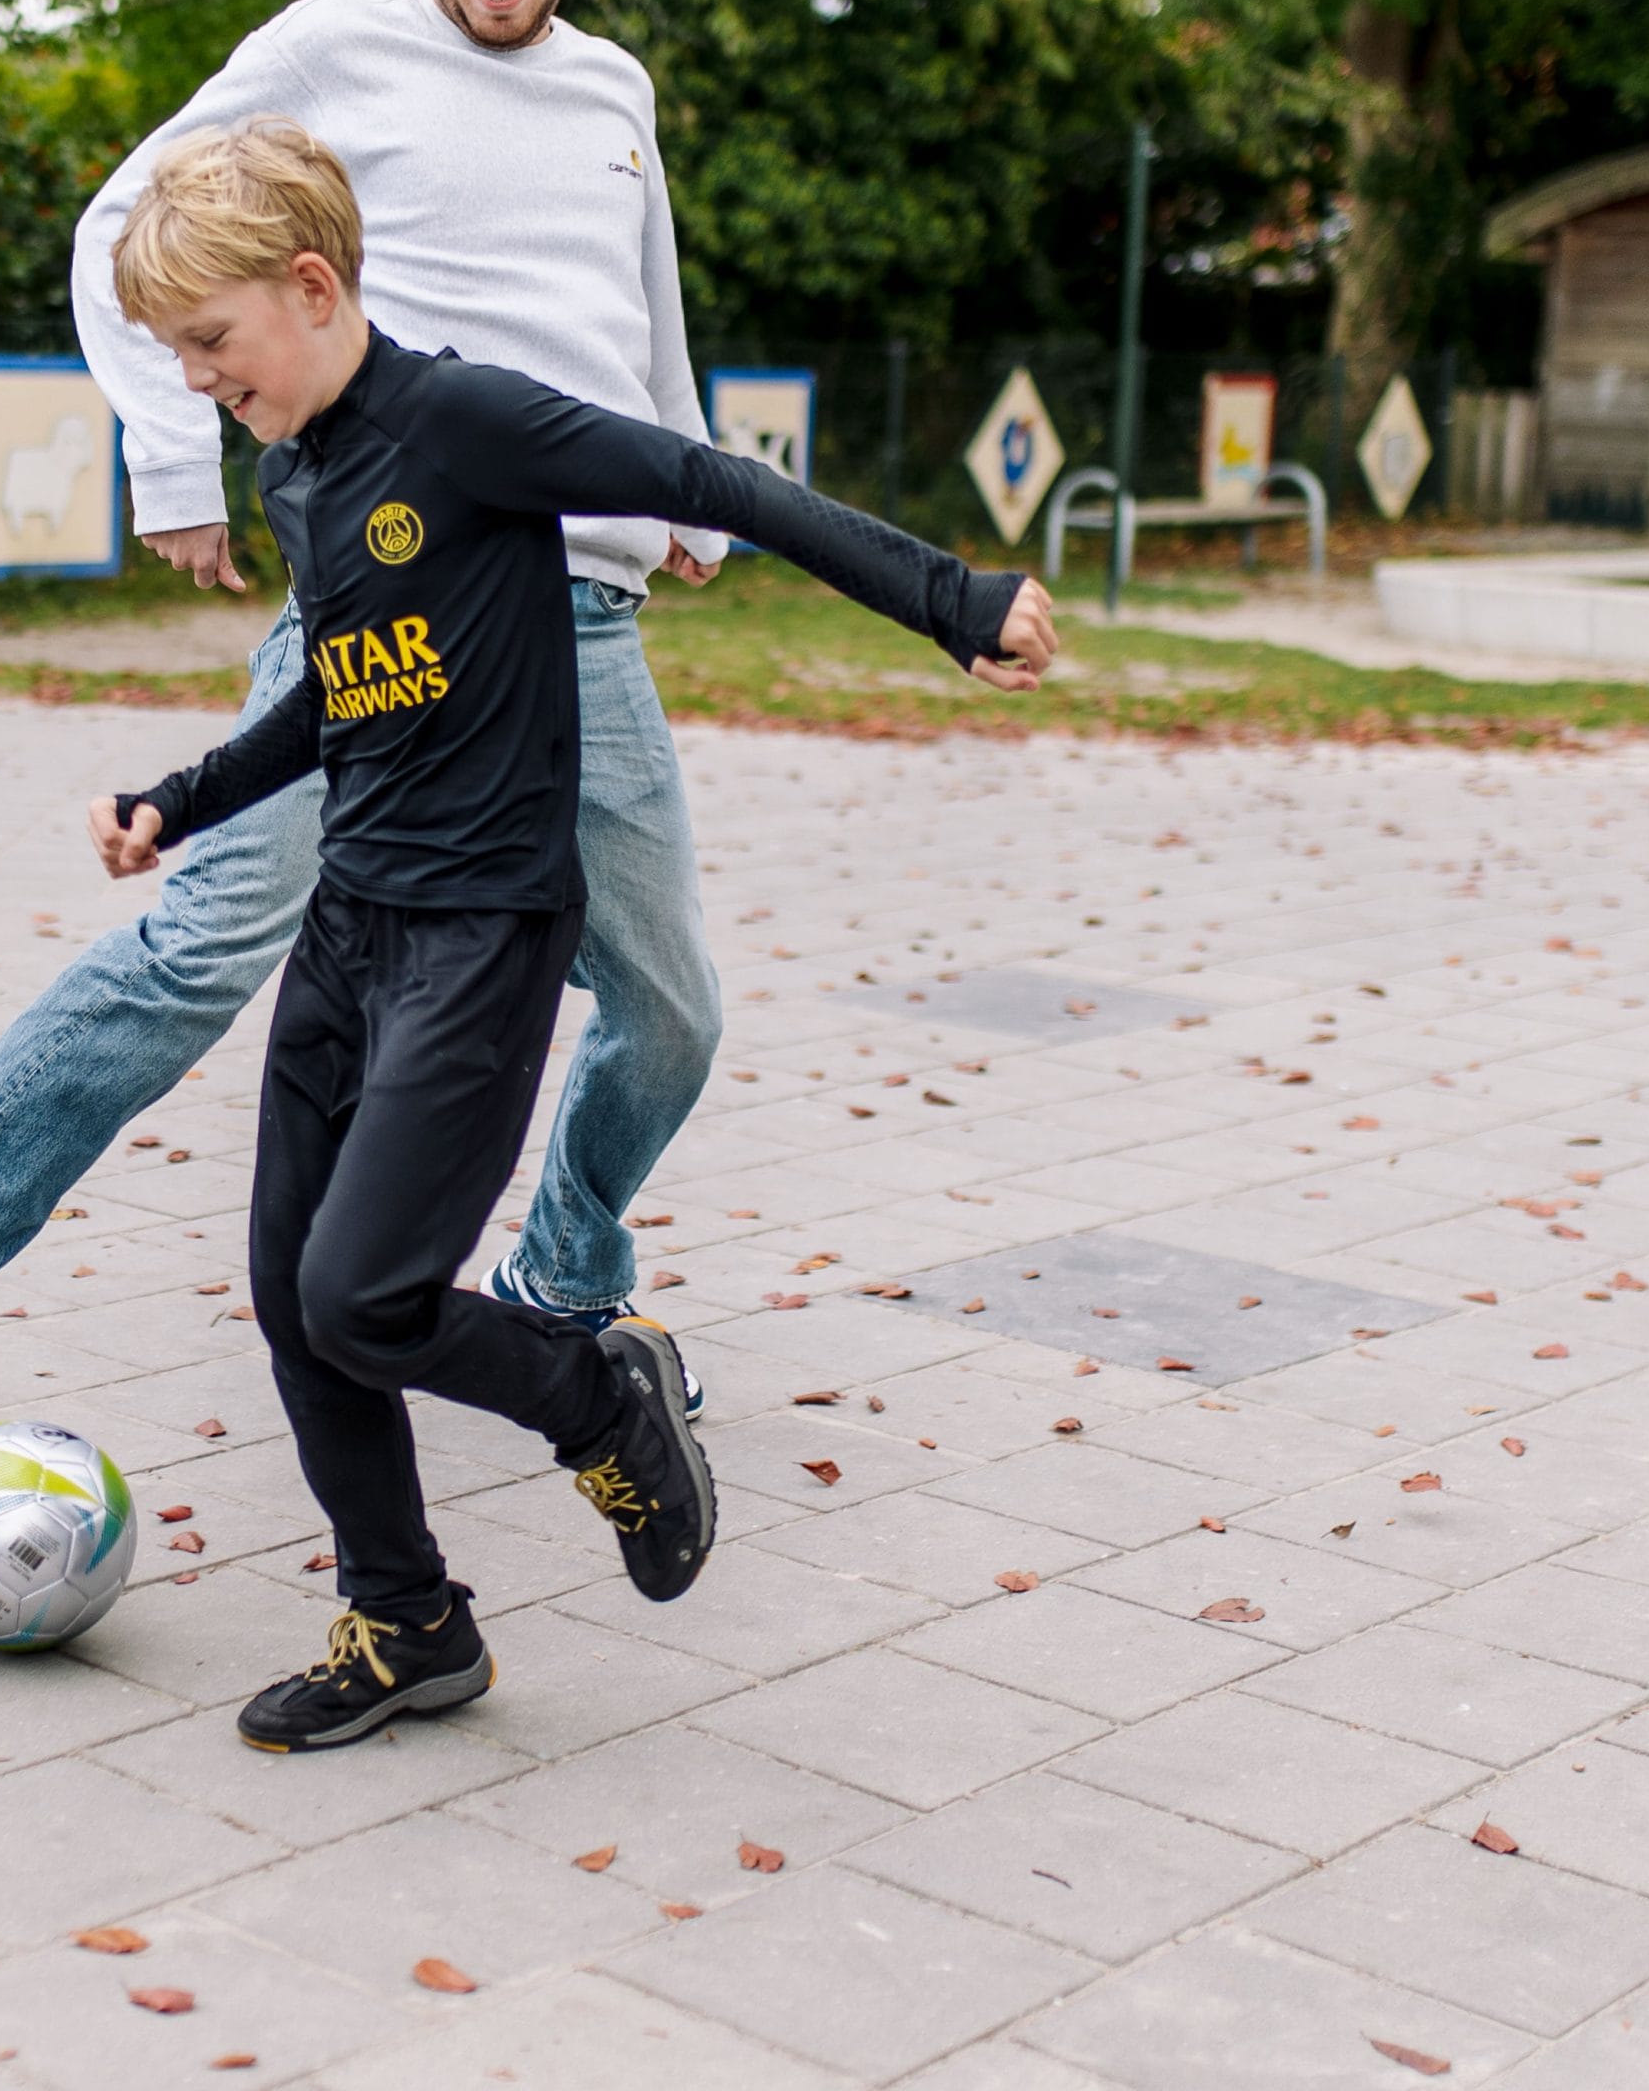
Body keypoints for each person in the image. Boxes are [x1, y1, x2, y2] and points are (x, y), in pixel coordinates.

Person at [0, 0, 746, 1513]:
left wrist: (686, 461)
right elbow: (129, 219)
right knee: (198, 952)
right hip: (383, 614)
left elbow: (639, 298)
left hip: (580, 618)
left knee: (670, 1014)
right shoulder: (329, 49)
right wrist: (166, 444)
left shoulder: (615, 92)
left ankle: (571, 1274)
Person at [87, 119, 1056, 1747]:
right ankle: (408, 1627)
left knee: (368, 1299)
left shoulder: (462, 419)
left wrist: (949, 600)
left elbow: (704, 479)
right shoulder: (300, 467)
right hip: (353, 935)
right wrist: (191, 794)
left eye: (208, 342)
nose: (194, 381)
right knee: (291, 1289)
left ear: (313, 288)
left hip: (478, 942)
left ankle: (596, 1393)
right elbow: (348, 684)